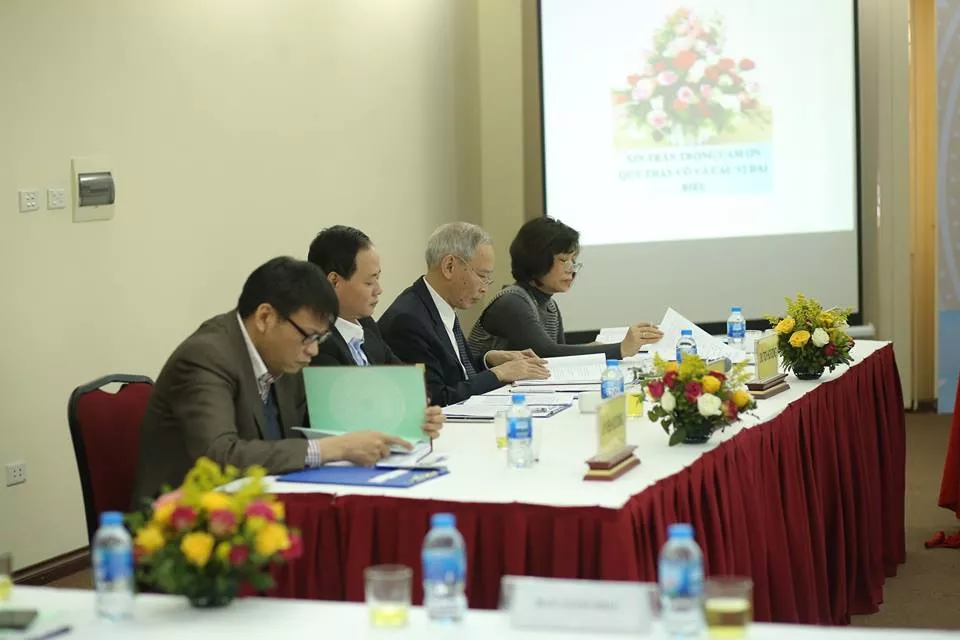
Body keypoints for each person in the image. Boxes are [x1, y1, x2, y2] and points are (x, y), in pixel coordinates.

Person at [132, 256, 443, 503]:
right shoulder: (207, 357)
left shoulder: (282, 354)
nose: (313, 350)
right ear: (265, 317)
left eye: (320, 339)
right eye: (308, 337)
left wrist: (404, 420)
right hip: (185, 523)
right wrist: (330, 449)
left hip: (262, 502)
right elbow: (220, 455)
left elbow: (322, 420)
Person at [378, 222, 550, 406]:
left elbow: (456, 369)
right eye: (482, 276)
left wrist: (490, 360)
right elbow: (436, 399)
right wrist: (499, 374)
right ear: (449, 266)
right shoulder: (408, 321)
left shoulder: (437, 305)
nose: (485, 288)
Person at [469, 216, 663, 359]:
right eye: (563, 260)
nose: (571, 269)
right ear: (537, 260)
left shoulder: (549, 306)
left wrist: (591, 348)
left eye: (573, 260)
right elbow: (547, 353)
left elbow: (560, 359)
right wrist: (620, 349)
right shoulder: (512, 302)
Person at [306, 225, 401, 367]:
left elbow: (403, 376)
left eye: (377, 278)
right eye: (369, 282)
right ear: (334, 281)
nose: (378, 290)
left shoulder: (367, 324)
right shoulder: (317, 343)